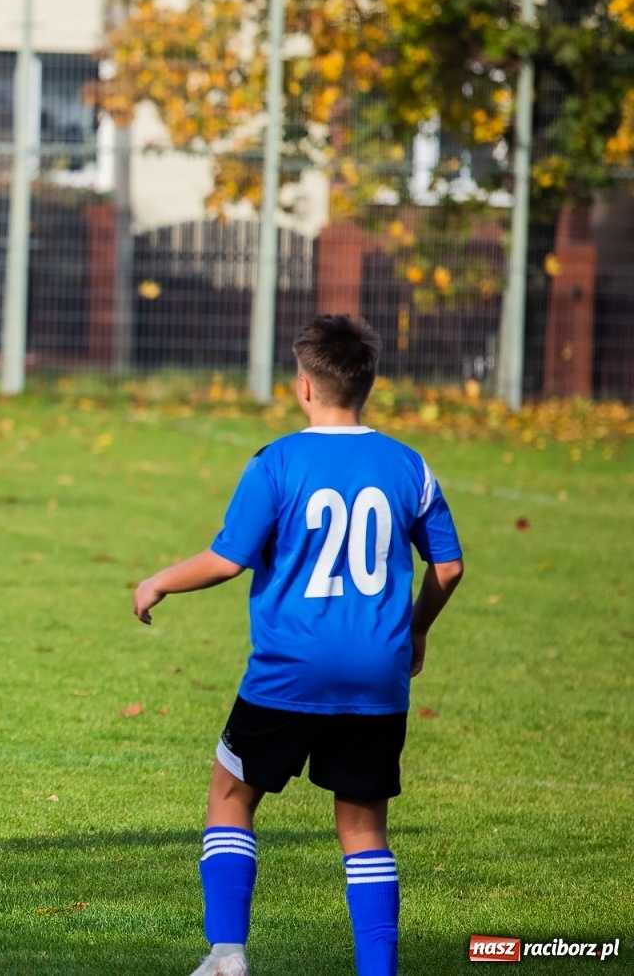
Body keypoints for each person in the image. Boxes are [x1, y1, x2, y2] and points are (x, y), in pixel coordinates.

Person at [131, 315, 464, 976]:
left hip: (289, 671)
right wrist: (419, 627)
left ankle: (227, 955)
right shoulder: (409, 466)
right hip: (377, 675)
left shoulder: (277, 461)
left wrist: (157, 582)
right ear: (366, 384)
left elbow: (228, 560)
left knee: (231, 796)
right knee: (364, 829)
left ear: (305, 387)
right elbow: (449, 568)